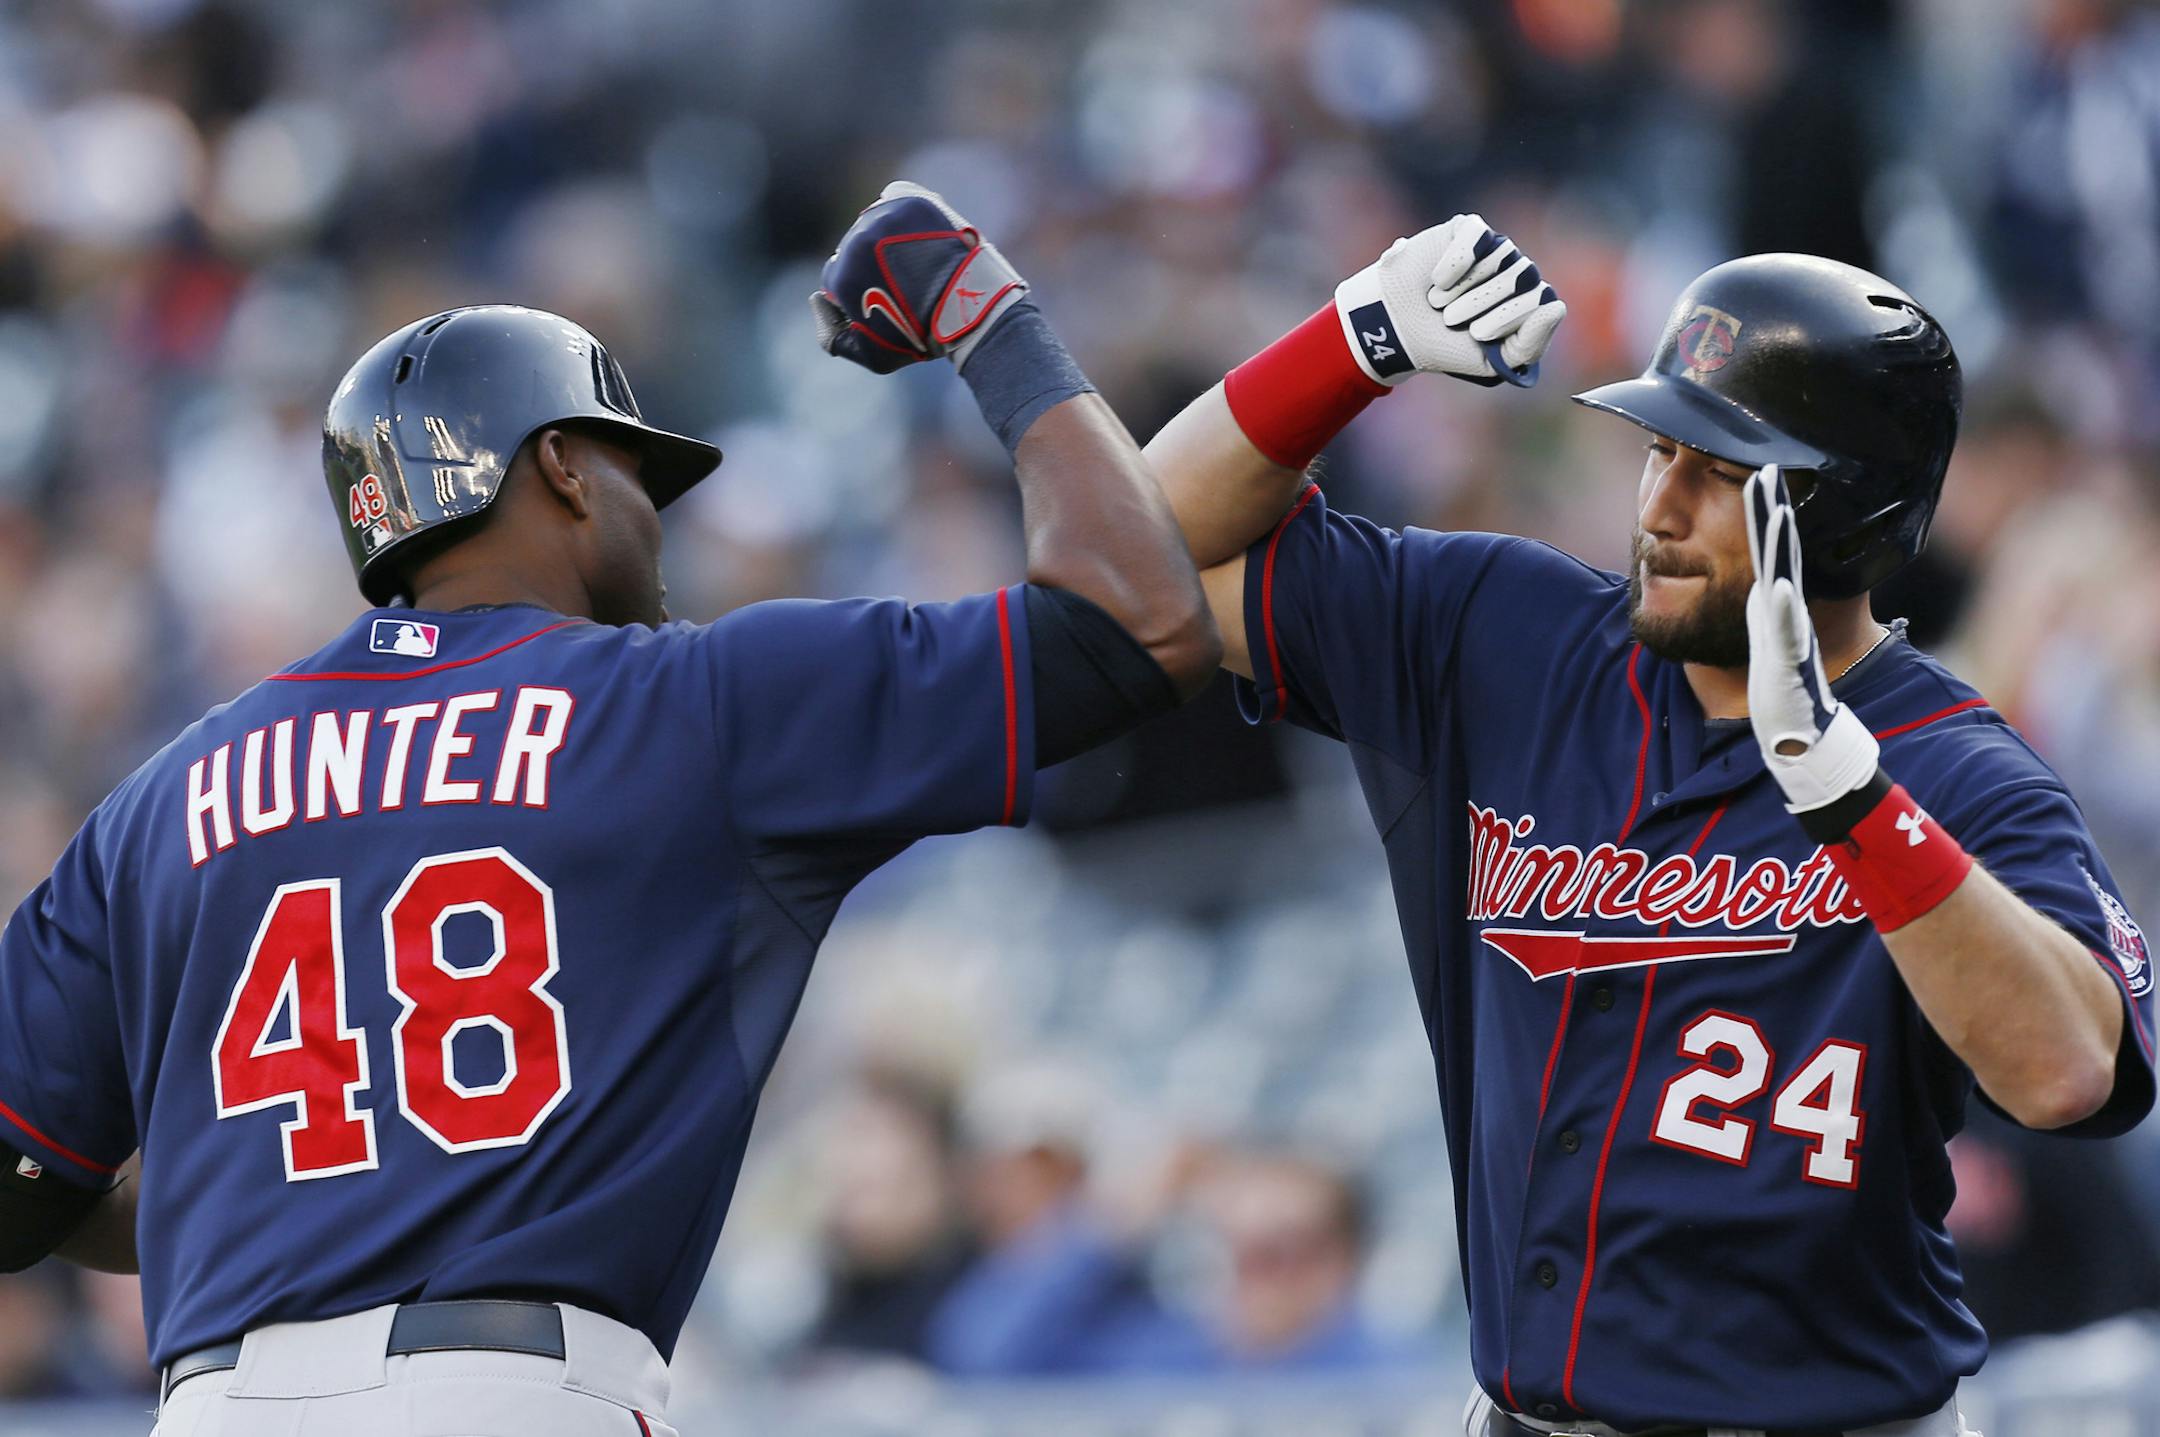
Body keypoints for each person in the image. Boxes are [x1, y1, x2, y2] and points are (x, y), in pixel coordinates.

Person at [0, 180, 1218, 1435]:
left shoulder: (166, 791)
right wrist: (984, 313)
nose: (655, 516)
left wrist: (256, 1208)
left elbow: (10, 1185)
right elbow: (1139, 621)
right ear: (564, 471)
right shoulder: (693, 699)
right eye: (640, 474)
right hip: (515, 1392)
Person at [1140, 217, 2156, 1434]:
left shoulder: (1956, 772)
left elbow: (2070, 1071)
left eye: (1720, 473)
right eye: (1658, 452)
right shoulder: (1509, 636)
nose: (1660, 506)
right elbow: (1139, 549)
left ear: (1845, 515)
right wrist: (1350, 349)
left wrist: (1853, 801)